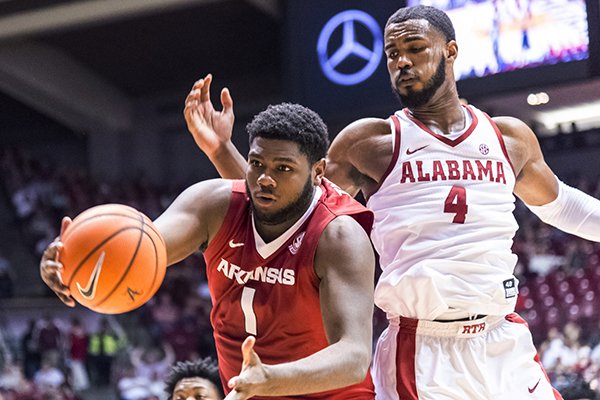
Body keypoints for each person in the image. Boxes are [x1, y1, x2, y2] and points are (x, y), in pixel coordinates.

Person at [184, 6, 600, 399]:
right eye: (393, 54)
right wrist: (221, 150)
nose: (402, 62)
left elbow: (562, 205)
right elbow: (288, 209)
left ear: (450, 52)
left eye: (415, 49)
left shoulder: (507, 136)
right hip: (423, 347)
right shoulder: (372, 143)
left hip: (502, 337)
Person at [40, 103, 376, 399]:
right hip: (249, 391)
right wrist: (67, 262)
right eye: (257, 163)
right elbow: (141, 250)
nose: (265, 179)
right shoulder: (213, 205)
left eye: (283, 168)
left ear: (318, 172)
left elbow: (353, 357)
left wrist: (272, 378)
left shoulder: (339, 235)